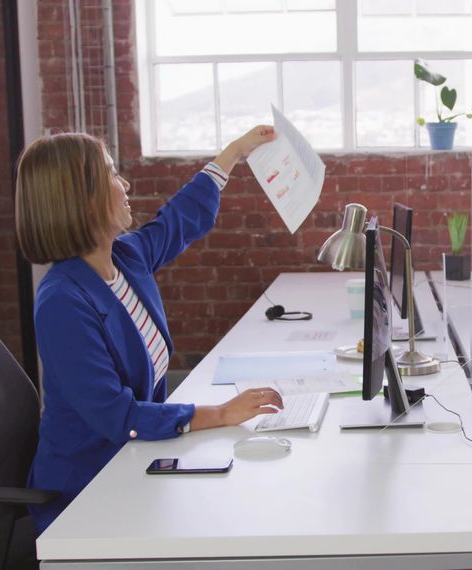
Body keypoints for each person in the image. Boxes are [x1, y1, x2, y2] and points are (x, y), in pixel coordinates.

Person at [16, 126, 284, 532]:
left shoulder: (123, 258)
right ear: (82, 199)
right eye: (111, 174)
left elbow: (179, 220)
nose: (124, 185)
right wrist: (221, 413)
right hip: (87, 488)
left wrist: (233, 153)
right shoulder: (62, 301)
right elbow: (117, 416)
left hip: (133, 460)